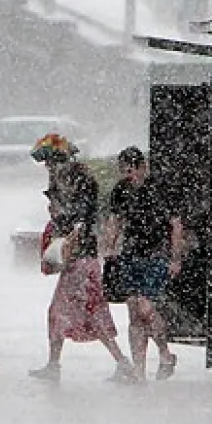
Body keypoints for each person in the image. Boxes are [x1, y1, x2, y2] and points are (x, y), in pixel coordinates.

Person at [29, 162, 136, 383]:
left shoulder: (80, 206)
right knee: (94, 315)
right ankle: (122, 362)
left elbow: (74, 230)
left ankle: (54, 365)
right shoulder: (86, 202)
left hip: (78, 268)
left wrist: (58, 218)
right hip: (88, 266)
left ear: (72, 182)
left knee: (59, 314)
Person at [101, 147, 185, 381]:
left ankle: (165, 353)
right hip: (130, 255)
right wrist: (109, 247)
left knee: (146, 307)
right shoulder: (121, 191)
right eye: (124, 171)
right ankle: (139, 370)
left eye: (133, 171)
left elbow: (176, 224)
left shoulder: (161, 188)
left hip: (157, 254)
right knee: (133, 313)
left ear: (143, 167)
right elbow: (115, 221)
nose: (129, 176)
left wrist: (175, 258)